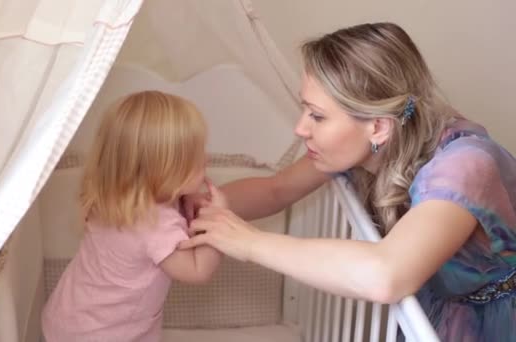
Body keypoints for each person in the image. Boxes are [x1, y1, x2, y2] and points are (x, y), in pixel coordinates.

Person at [180, 22, 516, 341]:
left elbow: (386, 275)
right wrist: (190, 205)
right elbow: (277, 189)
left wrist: (249, 243)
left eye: (318, 116)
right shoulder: (367, 144)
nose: (300, 128)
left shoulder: (465, 166)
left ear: (378, 127)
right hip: (450, 303)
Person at [42, 91, 222, 342]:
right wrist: (217, 220)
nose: (207, 158)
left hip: (71, 318)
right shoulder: (157, 225)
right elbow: (197, 270)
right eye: (196, 156)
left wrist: (182, 197)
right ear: (164, 170)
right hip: (109, 334)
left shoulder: (110, 197)